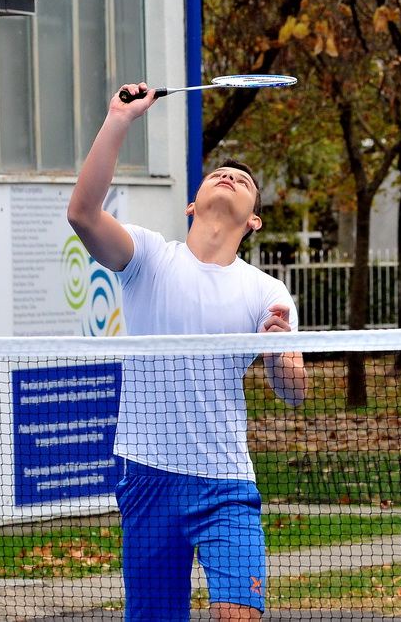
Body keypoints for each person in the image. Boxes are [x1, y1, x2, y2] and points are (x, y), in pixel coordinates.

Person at [67, 82, 307, 622]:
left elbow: (294, 392)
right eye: (221, 174)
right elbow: (83, 214)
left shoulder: (267, 292)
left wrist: (277, 354)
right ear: (192, 204)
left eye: (244, 181)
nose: (231, 176)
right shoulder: (149, 258)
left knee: (238, 615)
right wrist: (118, 120)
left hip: (225, 478)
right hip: (146, 473)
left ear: (254, 220)